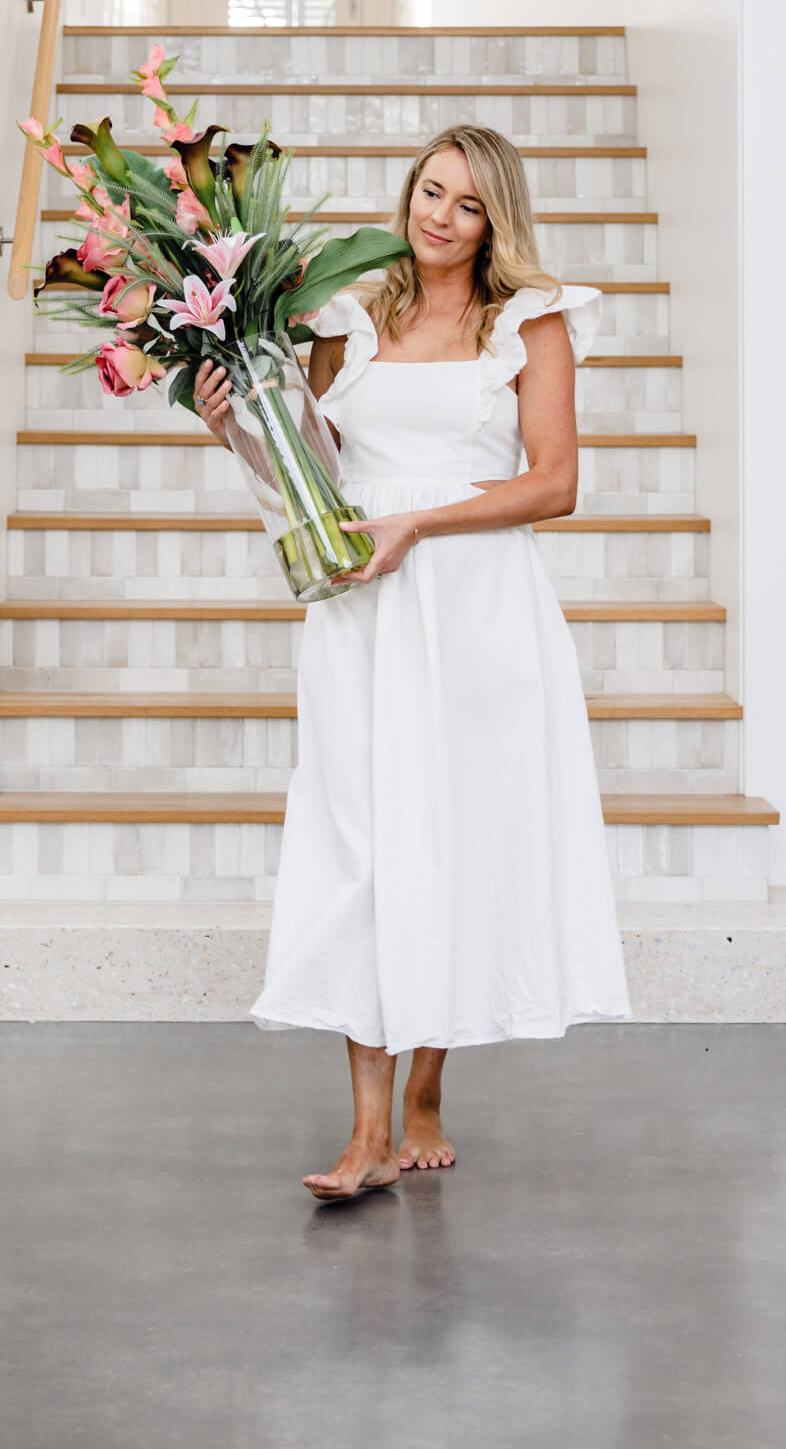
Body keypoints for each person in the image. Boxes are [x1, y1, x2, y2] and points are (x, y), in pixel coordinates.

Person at [192, 124, 633, 1201]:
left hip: (475, 605)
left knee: (457, 832)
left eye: (467, 203)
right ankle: (367, 1131)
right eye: (429, 191)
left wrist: (419, 527)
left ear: (496, 222)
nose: (438, 214)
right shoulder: (349, 312)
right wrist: (235, 429)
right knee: (361, 839)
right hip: (362, 603)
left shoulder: (530, 321)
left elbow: (554, 482)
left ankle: (426, 1087)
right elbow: (319, 467)